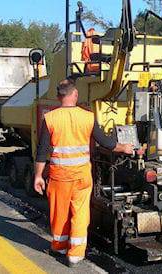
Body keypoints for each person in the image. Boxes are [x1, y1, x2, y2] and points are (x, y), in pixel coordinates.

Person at [33, 78, 134, 267]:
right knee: (80, 214)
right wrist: (125, 148)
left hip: (60, 177)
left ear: (58, 97)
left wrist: (38, 176)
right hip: (82, 177)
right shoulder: (87, 116)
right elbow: (105, 142)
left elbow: (41, 150)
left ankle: (60, 246)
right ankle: (76, 255)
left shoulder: (50, 118)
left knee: (59, 213)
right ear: (75, 95)